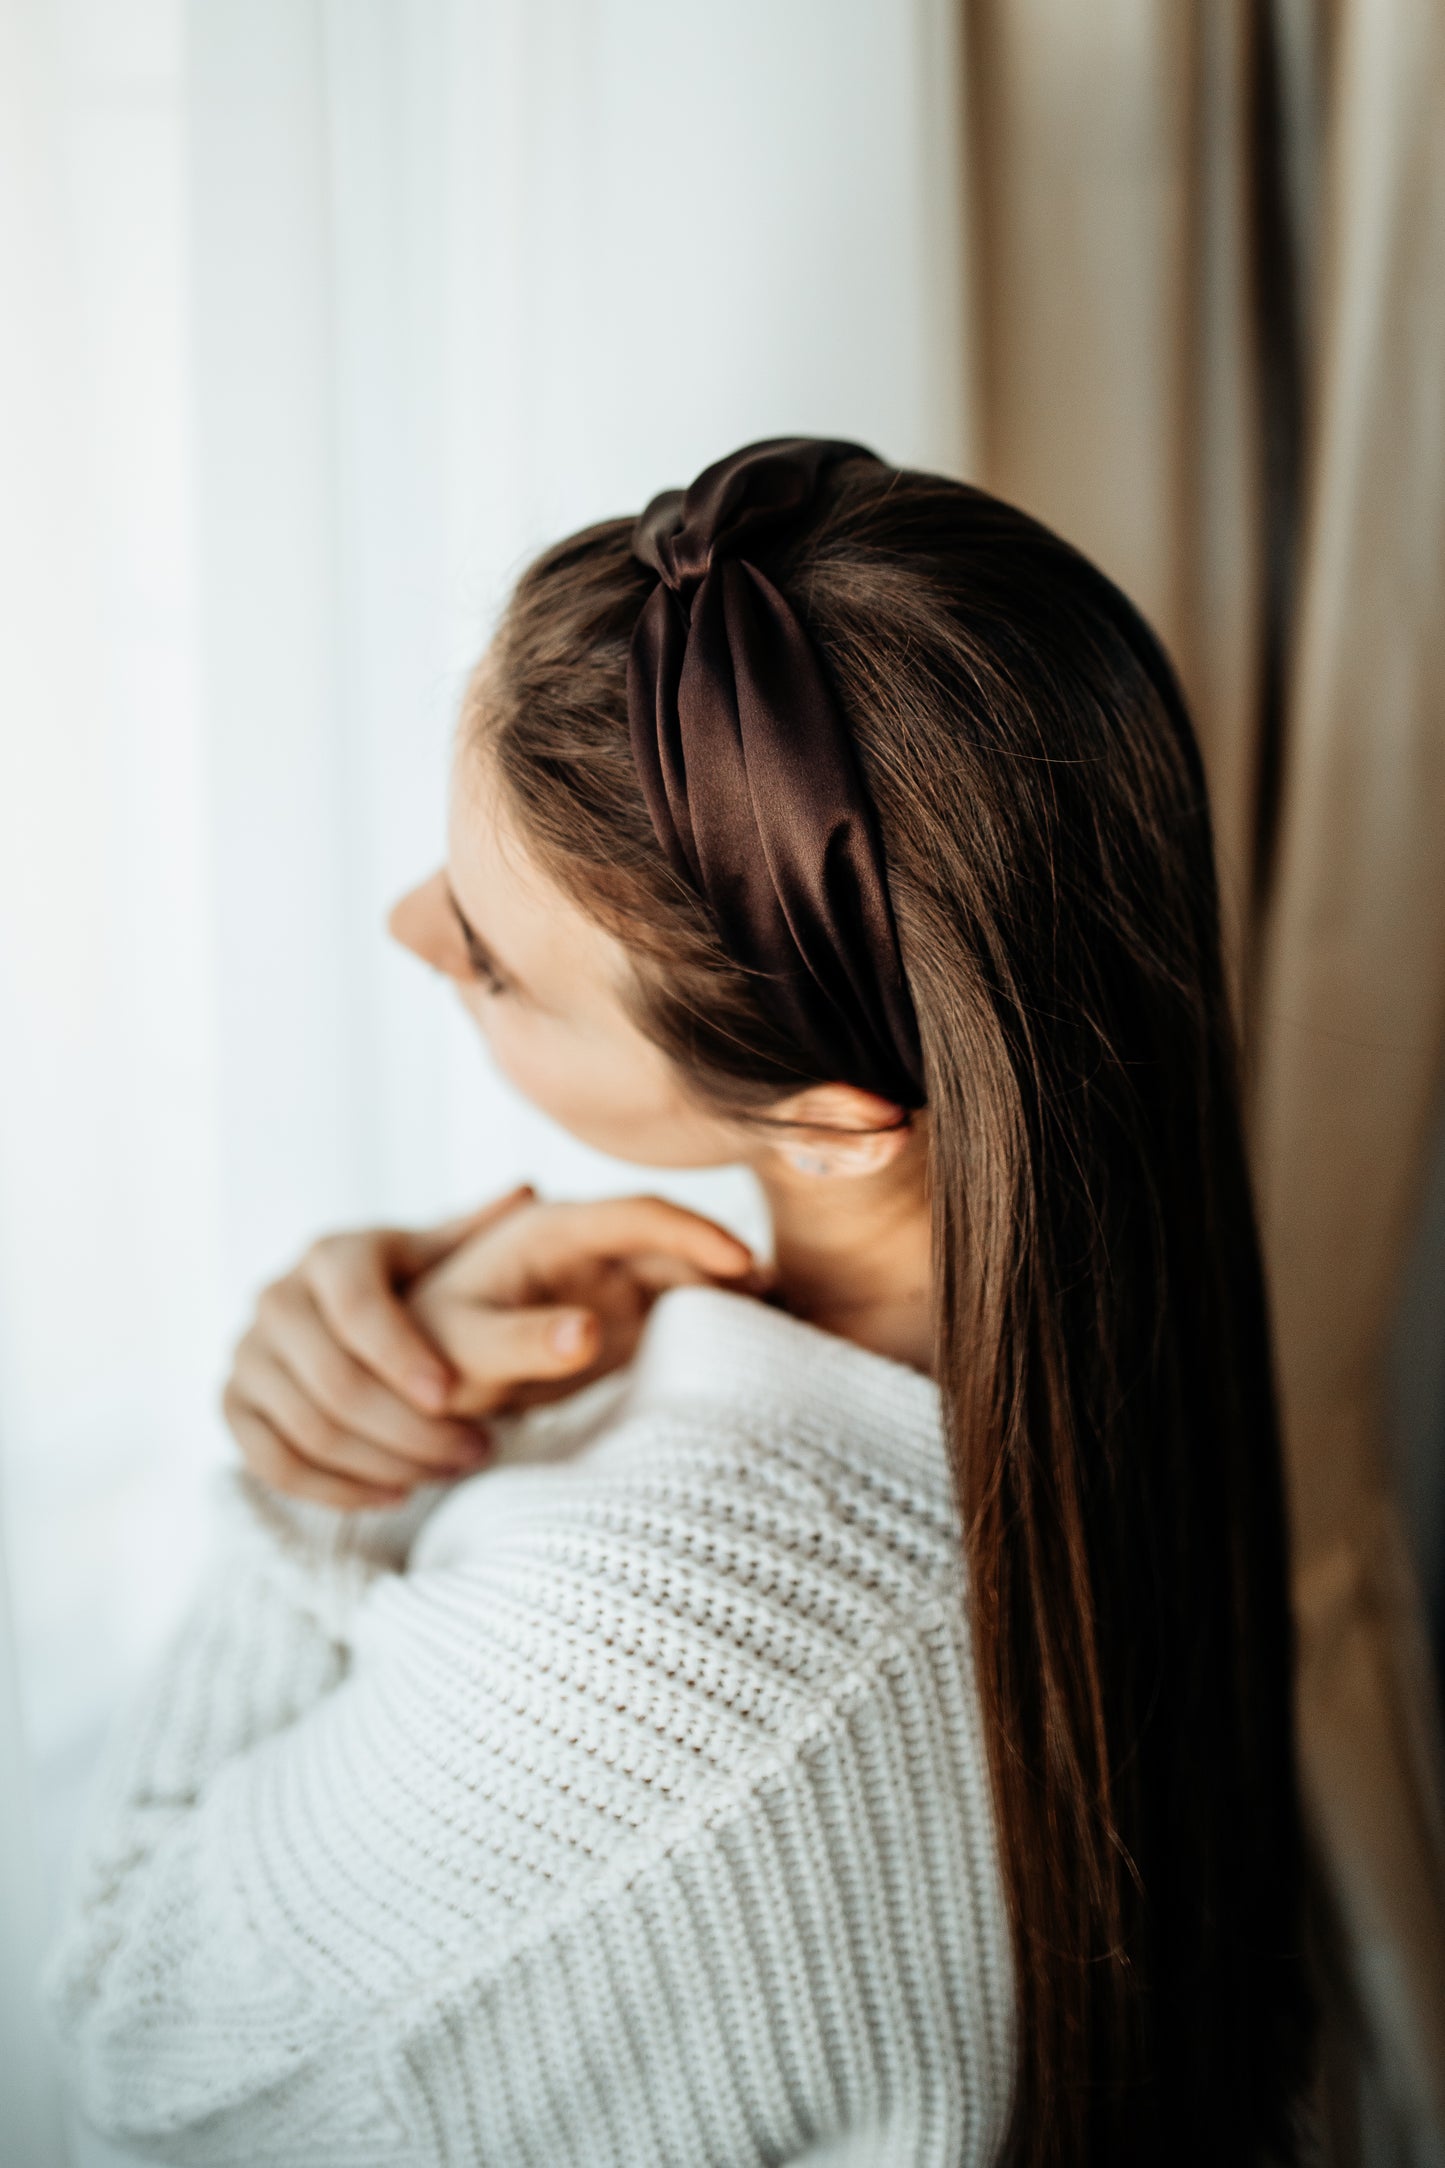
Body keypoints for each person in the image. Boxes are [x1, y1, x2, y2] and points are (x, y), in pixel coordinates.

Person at [43, 439, 1318, 2165]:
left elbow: (140, 2059)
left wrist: (319, 1490)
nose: (410, 925)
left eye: (492, 955)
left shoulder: (670, 1669)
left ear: (824, 1120)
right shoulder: (1116, 1421)